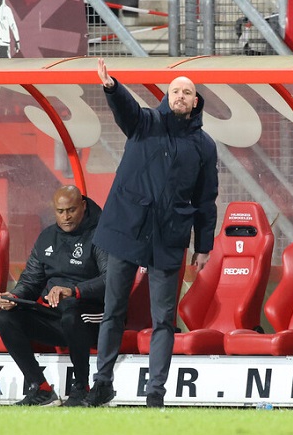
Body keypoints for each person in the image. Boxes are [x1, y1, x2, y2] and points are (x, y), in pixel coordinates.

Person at [85, 58, 219, 408]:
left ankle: (155, 392)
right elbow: (126, 110)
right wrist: (112, 87)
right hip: (127, 228)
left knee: (164, 319)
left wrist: (203, 245)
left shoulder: (204, 145)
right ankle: (102, 383)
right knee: (113, 309)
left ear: (195, 101)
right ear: (167, 96)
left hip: (169, 236)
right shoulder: (146, 122)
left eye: (187, 92)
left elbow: (207, 199)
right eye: (175, 91)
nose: (180, 96)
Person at [0, 185, 107, 407]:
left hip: (94, 317)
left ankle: (82, 388)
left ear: (83, 206)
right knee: (5, 318)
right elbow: (30, 281)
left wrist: (74, 291)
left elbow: (111, 280)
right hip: (56, 317)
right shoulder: (47, 236)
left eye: (71, 210)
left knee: (72, 314)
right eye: (60, 211)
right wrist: (14, 296)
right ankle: (41, 388)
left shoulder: (101, 234)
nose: (65, 217)